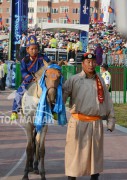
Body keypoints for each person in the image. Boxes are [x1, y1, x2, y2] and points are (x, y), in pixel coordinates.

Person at [63, 53, 116, 180]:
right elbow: (62, 97)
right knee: (74, 155)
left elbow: (108, 101)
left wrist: (111, 120)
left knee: (95, 157)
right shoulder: (74, 80)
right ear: (83, 64)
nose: (91, 64)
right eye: (88, 62)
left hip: (95, 124)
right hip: (77, 123)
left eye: (93, 62)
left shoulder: (100, 80)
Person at [10, 35, 50, 120]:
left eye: (36, 48)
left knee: (52, 92)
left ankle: (54, 111)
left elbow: (48, 67)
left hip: (41, 80)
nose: (34, 51)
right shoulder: (24, 60)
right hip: (28, 81)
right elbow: (23, 71)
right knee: (18, 93)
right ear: (27, 49)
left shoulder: (43, 57)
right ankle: (14, 111)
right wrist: (30, 78)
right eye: (32, 49)